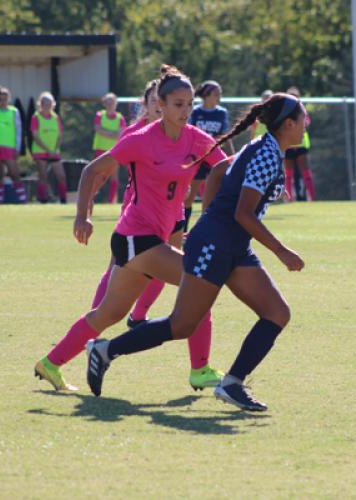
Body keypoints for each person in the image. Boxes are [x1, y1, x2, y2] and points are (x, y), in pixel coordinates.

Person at [85, 92, 306, 412]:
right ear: (288, 124)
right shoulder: (266, 153)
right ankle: (105, 350)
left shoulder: (268, 149)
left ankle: (232, 384)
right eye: (303, 119)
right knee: (182, 324)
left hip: (233, 244)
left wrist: (209, 215)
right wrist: (281, 251)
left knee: (277, 313)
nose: (306, 125)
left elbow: (220, 171)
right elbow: (243, 213)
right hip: (217, 244)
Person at [34, 65, 227, 392]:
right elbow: (91, 172)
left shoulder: (195, 138)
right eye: (178, 104)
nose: (185, 111)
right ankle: (200, 369)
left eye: (190, 103)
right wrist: (82, 216)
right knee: (199, 281)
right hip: (135, 237)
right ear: (160, 106)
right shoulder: (140, 140)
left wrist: (260, 178)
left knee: (107, 314)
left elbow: (224, 167)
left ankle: (50, 364)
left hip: (148, 240)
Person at [184, 80, 234, 231]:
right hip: (198, 158)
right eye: (216, 93)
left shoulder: (221, 113)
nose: (219, 96)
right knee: (189, 197)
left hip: (214, 158)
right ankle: (183, 231)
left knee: (215, 196)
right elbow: (189, 134)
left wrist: (231, 156)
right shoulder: (196, 112)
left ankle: (207, 230)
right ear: (206, 95)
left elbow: (226, 136)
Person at [30, 92, 67, 203]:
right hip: (40, 152)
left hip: (54, 152)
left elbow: (60, 136)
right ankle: (43, 199)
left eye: (50, 104)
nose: (47, 106)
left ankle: (63, 200)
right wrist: (47, 149)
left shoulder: (56, 118)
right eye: (45, 103)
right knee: (43, 176)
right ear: (40, 104)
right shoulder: (36, 117)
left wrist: (54, 150)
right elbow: (35, 136)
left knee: (61, 176)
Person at [92, 92, 127, 203]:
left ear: (116, 103)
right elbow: (98, 129)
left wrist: (106, 132)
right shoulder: (99, 115)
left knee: (113, 177)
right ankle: (90, 197)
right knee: (98, 176)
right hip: (100, 150)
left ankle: (111, 201)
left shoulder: (120, 118)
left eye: (112, 102)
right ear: (104, 103)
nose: (110, 104)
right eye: (108, 101)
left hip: (114, 151)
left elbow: (121, 133)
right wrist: (113, 133)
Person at [284, 86, 315, 201]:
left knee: (306, 171)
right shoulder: (285, 111)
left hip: (301, 145)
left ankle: (312, 198)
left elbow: (307, 123)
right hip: (289, 145)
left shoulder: (302, 110)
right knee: (288, 173)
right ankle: (289, 198)